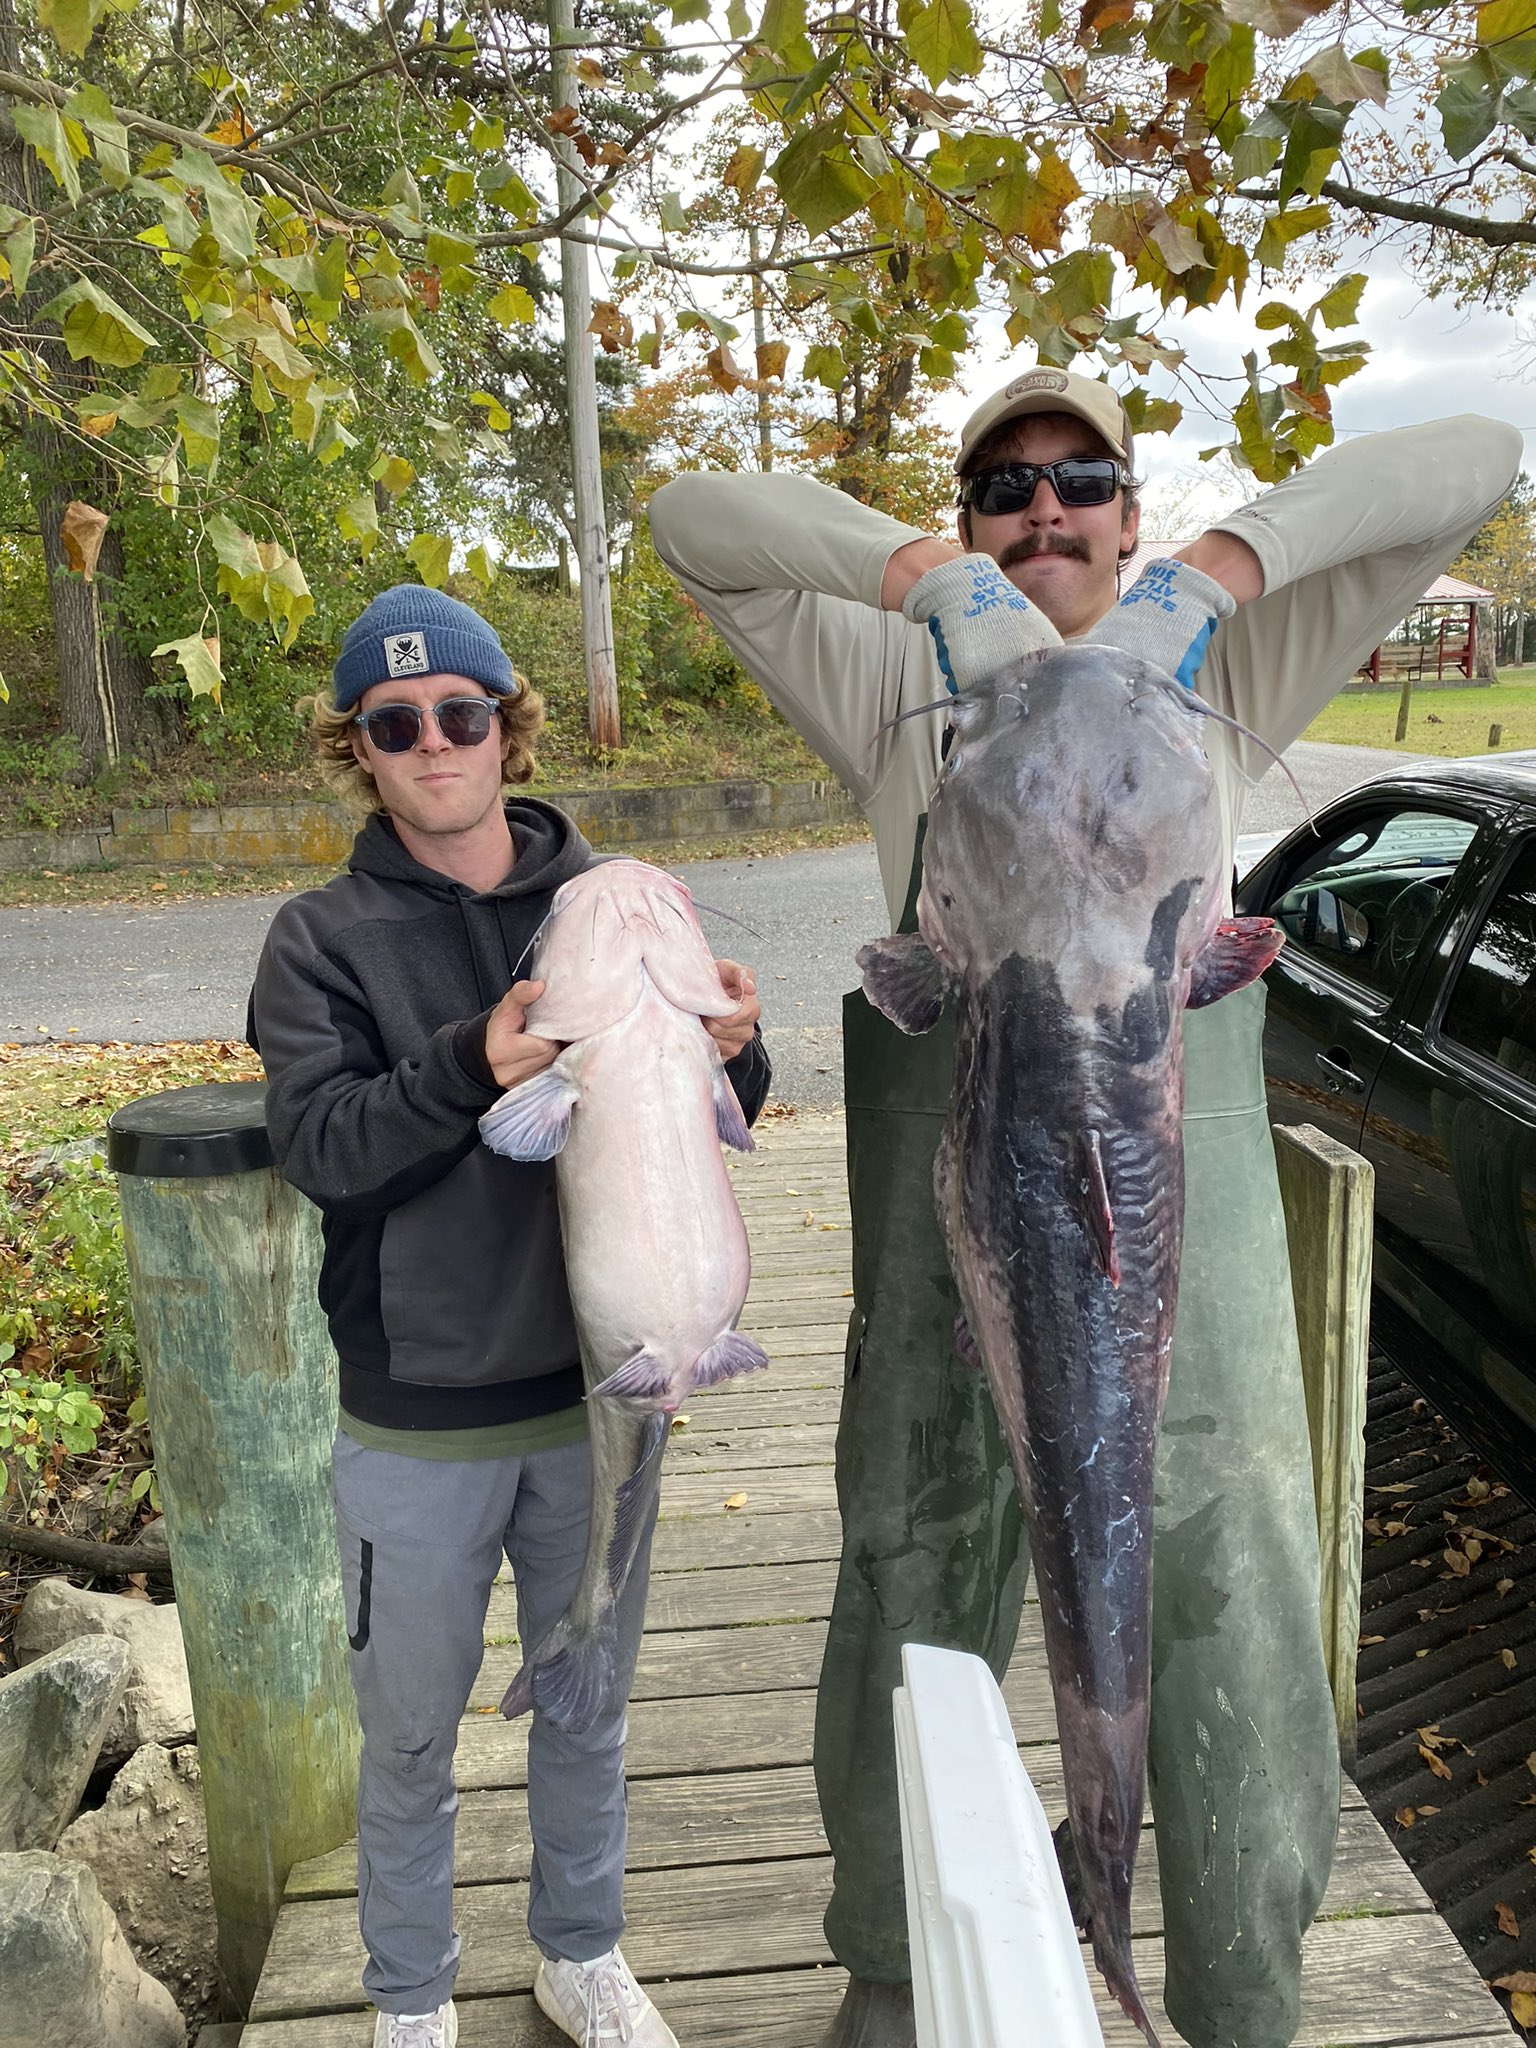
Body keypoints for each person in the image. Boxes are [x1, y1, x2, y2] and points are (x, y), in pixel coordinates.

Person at [649, 372, 1522, 2048]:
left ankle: (1232, 1998)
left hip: (1172, 1216)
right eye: (1002, 492)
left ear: (1130, 512)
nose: (1041, 512)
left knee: (1230, 1583)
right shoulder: (905, 682)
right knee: (910, 1565)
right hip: (952, 1212)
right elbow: (693, 523)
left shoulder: (1228, 671)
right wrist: (933, 591)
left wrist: (1220, 572)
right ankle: (899, 1967)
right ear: (969, 521)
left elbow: (1477, 458)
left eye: (1080, 481)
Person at [247, 584, 769, 2048]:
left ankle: (580, 1951)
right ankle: (411, 1997)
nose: (431, 744)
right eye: (393, 725)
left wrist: (738, 1044)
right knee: (408, 1734)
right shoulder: (320, 941)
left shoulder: (616, 900)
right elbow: (325, 1149)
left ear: (506, 728)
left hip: (605, 1387)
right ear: (359, 749)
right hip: (419, 1416)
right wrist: (471, 1060)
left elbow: (707, 1123)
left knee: (589, 1698)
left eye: (460, 715)